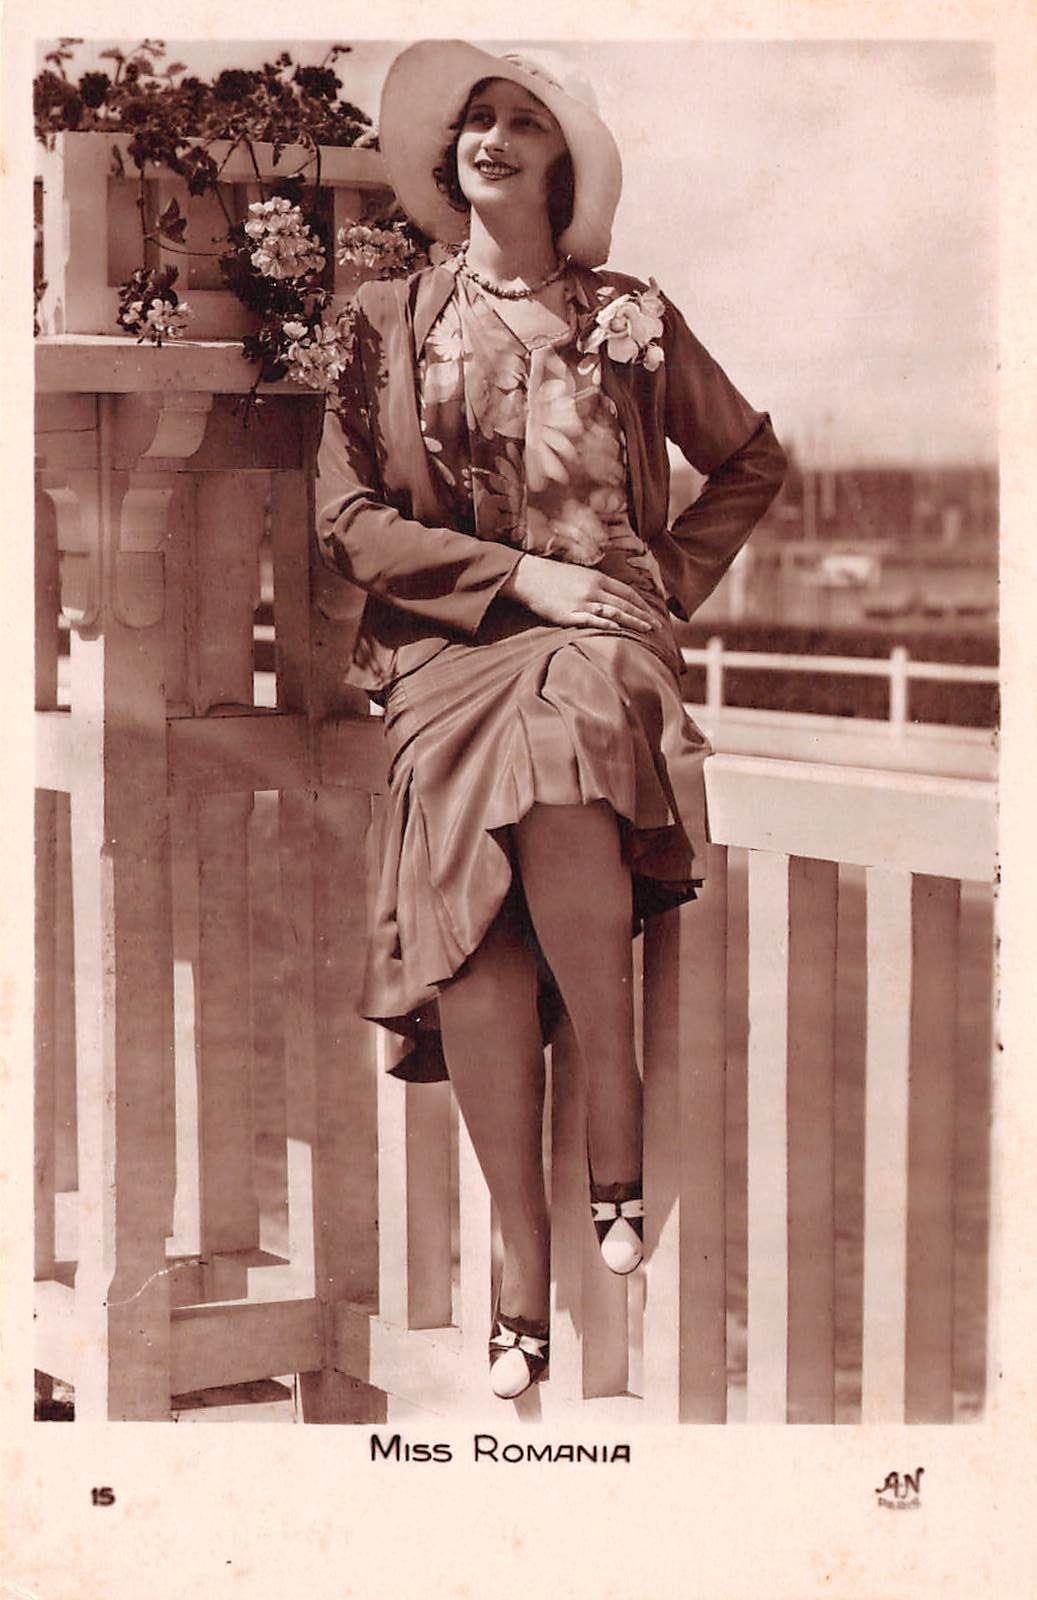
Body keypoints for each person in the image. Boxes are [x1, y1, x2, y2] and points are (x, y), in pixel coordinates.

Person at [315, 41, 786, 1400]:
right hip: (451, 646)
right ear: (449, 153)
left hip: (597, 644)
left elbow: (749, 456)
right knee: (470, 933)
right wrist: (522, 578)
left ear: (562, 166)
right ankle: (522, 1259)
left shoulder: (630, 314)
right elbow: (350, 524)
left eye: (526, 122)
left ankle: (614, 1115)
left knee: (566, 746)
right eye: (480, 118)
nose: (496, 137)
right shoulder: (385, 319)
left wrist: (660, 585)